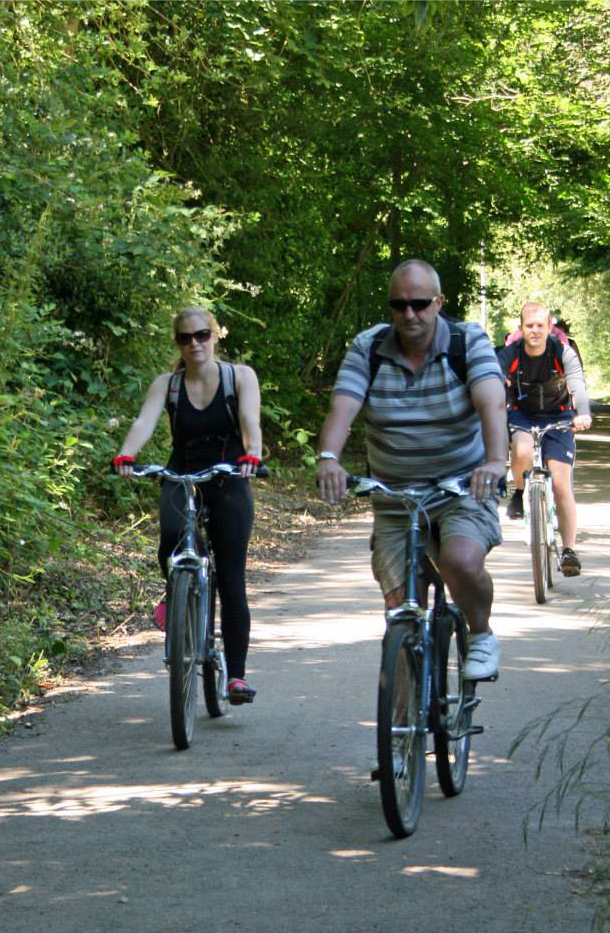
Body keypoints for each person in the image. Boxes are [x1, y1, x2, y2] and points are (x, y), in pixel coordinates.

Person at [317, 259, 507, 680]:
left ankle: (480, 634)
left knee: (459, 561)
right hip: (395, 497)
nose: (409, 315)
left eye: (420, 304)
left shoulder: (466, 341)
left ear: (438, 302)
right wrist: (328, 457)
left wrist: (495, 461)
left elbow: (491, 402)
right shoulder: (369, 347)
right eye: (399, 305)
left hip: (462, 488)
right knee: (402, 611)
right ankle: (404, 734)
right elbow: (343, 407)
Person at [113, 306, 263, 705]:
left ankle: (236, 676)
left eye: (201, 335)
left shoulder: (239, 377)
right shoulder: (169, 383)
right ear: (177, 343)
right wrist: (126, 454)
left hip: (229, 475)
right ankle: (177, 596)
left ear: (214, 336)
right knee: (169, 541)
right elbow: (144, 422)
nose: (194, 343)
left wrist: (253, 455)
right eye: (185, 338)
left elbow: (250, 421)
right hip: (181, 473)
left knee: (231, 576)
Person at [497, 301, 591, 576]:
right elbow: (495, 381)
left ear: (549, 327)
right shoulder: (511, 353)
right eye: (530, 326)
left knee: (561, 484)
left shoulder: (563, 352)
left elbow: (577, 385)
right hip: (523, 415)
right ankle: (521, 491)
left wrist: (582, 413)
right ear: (521, 328)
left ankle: (569, 550)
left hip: (559, 417)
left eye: (540, 325)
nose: (535, 331)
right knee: (522, 450)